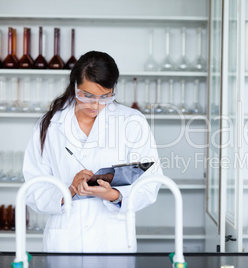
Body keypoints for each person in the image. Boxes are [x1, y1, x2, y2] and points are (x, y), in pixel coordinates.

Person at [23, 51, 162, 253]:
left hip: (113, 242)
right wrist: (68, 191)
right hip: (65, 241)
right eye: (87, 96)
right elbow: (33, 188)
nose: (95, 105)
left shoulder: (132, 122)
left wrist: (113, 195)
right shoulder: (50, 125)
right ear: (75, 86)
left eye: (105, 97)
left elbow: (151, 183)